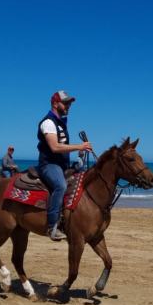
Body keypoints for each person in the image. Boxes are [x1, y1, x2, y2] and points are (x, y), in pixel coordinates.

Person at [37, 90, 93, 241]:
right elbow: (54, 147)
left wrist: (79, 155)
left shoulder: (61, 122)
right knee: (60, 186)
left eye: (69, 103)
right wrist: (79, 147)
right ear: (55, 103)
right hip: (49, 165)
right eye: (65, 103)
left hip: (62, 165)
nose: (68, 106)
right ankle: (52, 226)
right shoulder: (48, 122)